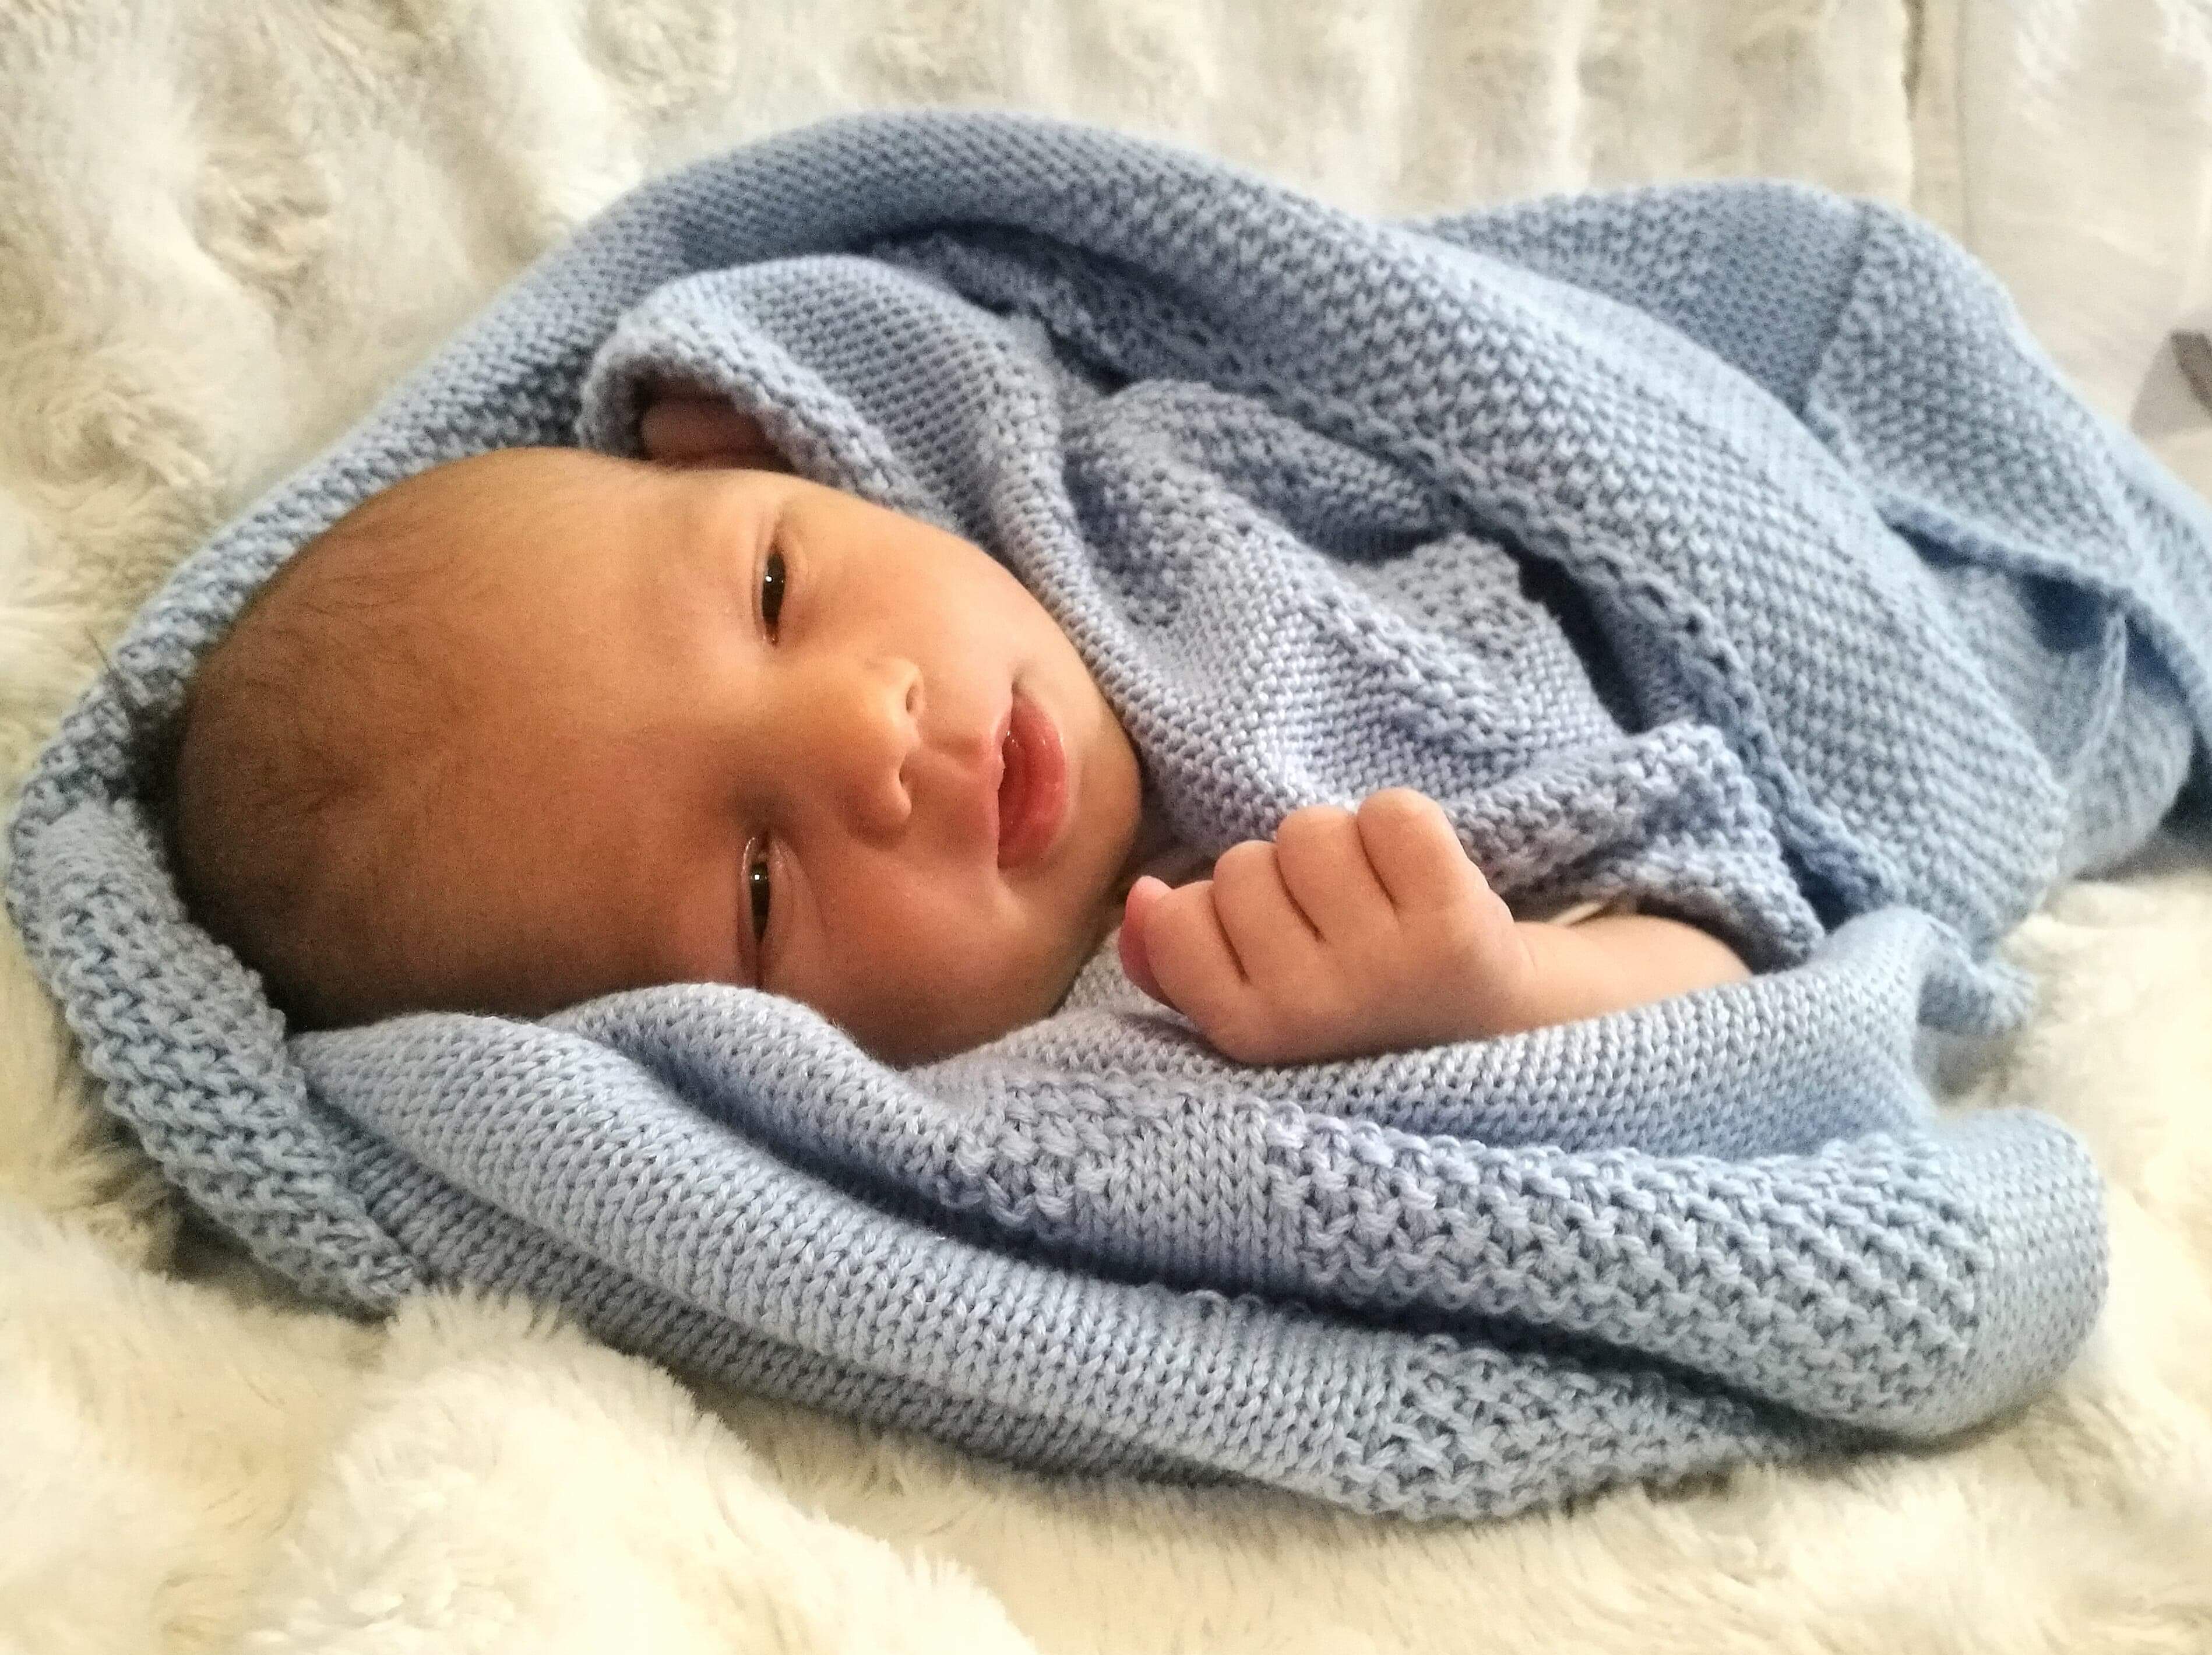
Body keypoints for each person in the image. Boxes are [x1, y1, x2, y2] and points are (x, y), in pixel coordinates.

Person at [152, 385, 1750, 1068]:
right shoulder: (1091, 1094)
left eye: (774, 588)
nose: (865, 728)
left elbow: (1718, 849)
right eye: (758, 886)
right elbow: (1736, 996)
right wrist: (1498, 995)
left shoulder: (1124, 497)